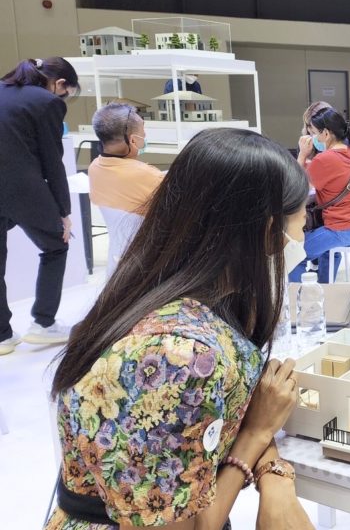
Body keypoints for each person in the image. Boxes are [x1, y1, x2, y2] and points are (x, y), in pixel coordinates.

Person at [45, 128, 314, 529]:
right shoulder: (179, 356)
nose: (302, 236)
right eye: (301, 223)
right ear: (267, 230)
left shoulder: (163, 295)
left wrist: (273, 471)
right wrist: (257, 434)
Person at [0, 57, 79, 355]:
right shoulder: (47, 102)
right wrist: (63, 212)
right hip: (22, 187)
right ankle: (43, 324)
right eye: (67, 92)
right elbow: (52, 161)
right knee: (56, 245)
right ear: (59, 84)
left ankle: (2, 336)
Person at [294, 106, 350, 282]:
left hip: (341, 229)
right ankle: (325, 287)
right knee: (327, 249)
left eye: (314, 133)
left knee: (294, 255)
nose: (313, 138)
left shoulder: (324, 159)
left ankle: (298, 295)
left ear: (326, 134)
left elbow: (296, 186)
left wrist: (302, 155)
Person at [87, 103, 165, 215]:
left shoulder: (94, 167)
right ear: (133, 141)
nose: (144, 136)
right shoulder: (149, 176)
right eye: (143, 134)